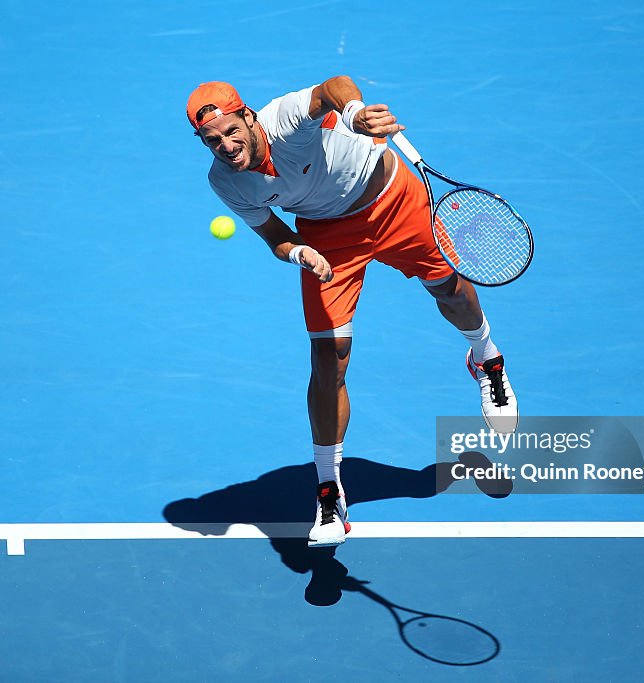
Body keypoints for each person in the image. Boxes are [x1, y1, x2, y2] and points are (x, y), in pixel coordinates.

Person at [186, 76, 517, 547]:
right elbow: (273, 234)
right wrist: (300, 253)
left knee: (451, 292)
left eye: (229, 130)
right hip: (326, 237)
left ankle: (485, 357)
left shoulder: (285, 119)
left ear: (248, 116)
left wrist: (355, 113)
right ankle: (329, 491)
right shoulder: (225, 181)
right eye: (211, 140)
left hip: (393, 199)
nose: (224, 145)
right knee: (328, 357)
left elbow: (333, 87)